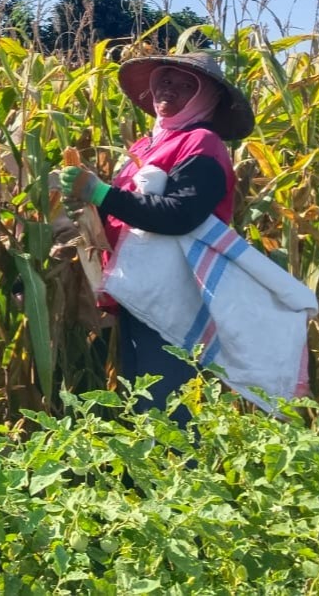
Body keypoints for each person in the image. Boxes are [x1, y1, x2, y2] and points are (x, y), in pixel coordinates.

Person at [60, 51, 255, 419]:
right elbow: (127, 210)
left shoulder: (201, 143)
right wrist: (87, 209)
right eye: (166, 81)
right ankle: (146, 475)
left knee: (165, 403)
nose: (171, 91)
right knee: (140, 396)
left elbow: (182, 214)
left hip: (174, 292)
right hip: (136, 288)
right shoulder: (145, 146)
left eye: (187, 86)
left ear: (207, 99)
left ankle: (177, 474)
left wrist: (101, 193)